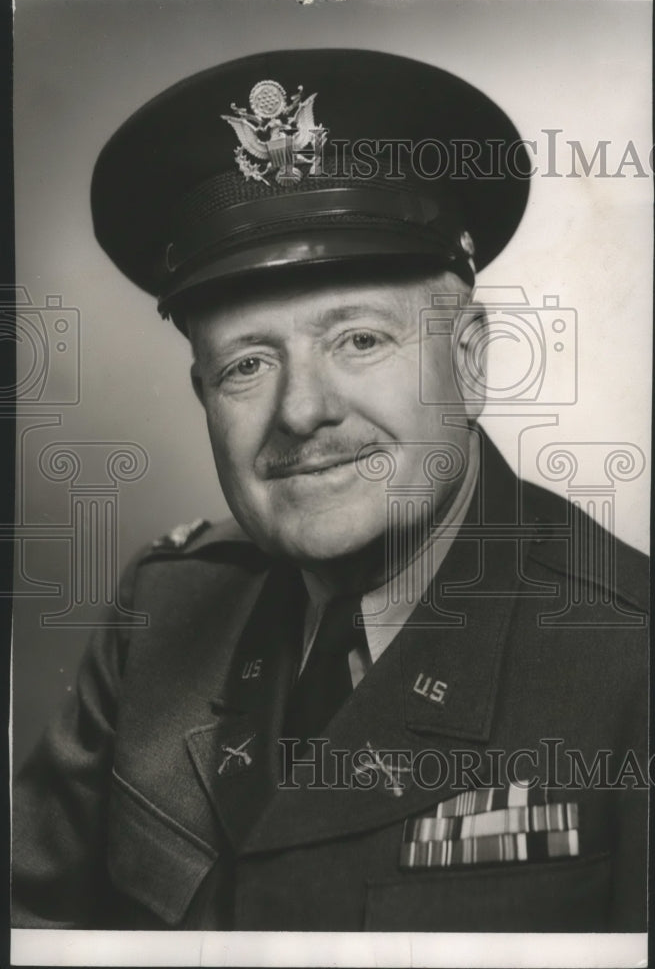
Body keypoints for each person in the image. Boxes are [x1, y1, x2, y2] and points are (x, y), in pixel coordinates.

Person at [12, 48, 648, 932]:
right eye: (246, 364)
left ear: (468, 362)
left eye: (358, 341)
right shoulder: (161, 611)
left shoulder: (628, 660)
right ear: (203, 395)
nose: (301, 412)